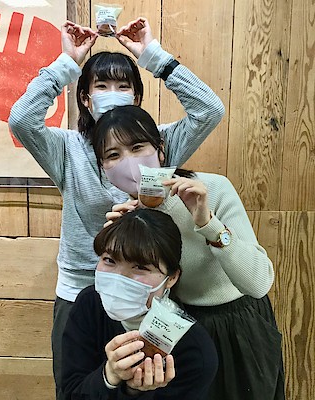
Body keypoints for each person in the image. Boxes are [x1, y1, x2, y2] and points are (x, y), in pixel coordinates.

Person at [8, 17, 224, 398]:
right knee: (79, 387)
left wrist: (152, 56)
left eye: (124, 86)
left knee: (148, 386)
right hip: (82, 286)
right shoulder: (68, 149)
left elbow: (209, 110)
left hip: (145, 291)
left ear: (136, 98)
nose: (113, 94)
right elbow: (21, 120)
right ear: (85, 98)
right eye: (102, 86)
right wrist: (67, 63)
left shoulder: (156, 145)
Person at [92, 105, 285, 400]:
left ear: (160, 149)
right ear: (103, 167)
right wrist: (119, 251)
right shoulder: (127, 215)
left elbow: (258, 283)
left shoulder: (211, 190)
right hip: (175, 327)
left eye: (137, 147)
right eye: (113, 155)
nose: (128, 162)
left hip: (236, 324)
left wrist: (208, 223)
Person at [61, 208, 219, 399]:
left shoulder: (194, 350)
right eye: (109, 260)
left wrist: (135, 391)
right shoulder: (89, 304)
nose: (119, 278)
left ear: (171, 277)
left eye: (140, 267)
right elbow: (70, 392)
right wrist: (109, 376)